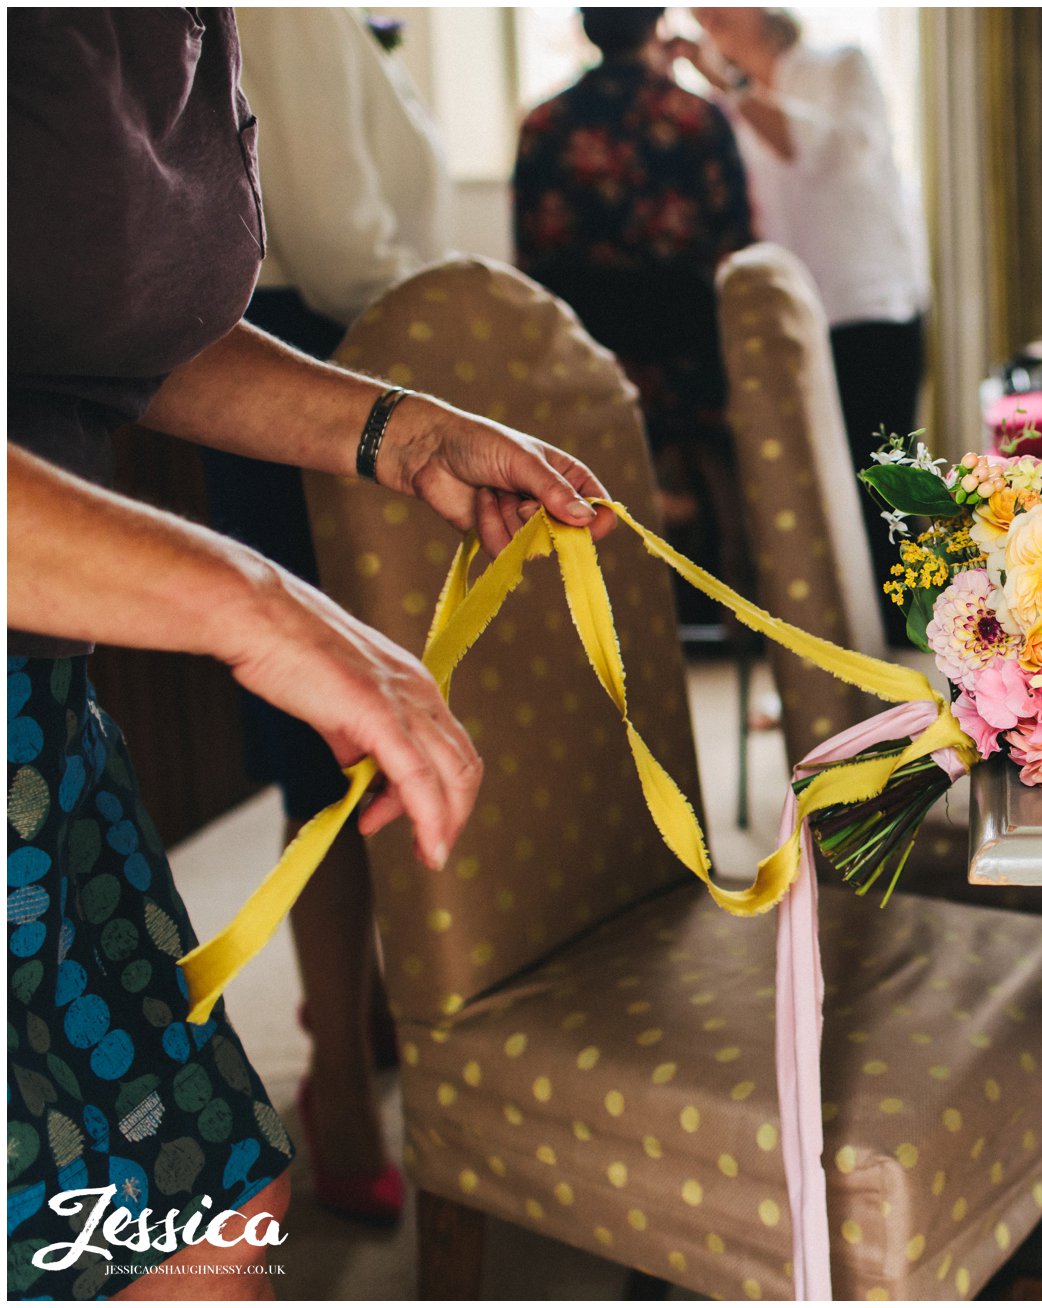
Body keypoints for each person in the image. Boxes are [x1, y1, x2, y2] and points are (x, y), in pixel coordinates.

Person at [8, 10, 613, 1298]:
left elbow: (95, 322)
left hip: (36, 700)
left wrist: (399, 433)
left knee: (214, 1205)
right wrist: (258, 603)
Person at [197, 6, 455, 1226]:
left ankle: (361, 1014)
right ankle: (339, 1082)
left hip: (356, 373)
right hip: (314, 377)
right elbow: (343, 247)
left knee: (382, 715)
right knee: (333, 739)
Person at [680, 7, 930, 641]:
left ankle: (917, 645)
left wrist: (731, 89)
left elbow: (820, 153)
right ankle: (847, 644)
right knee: (821, 488)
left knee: (887, 482)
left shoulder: (843, 66)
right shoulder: (723, 106)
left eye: (718, 13)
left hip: (869, 300)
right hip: (794, 316)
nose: (708, 22)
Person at [514, 7, 754, 624]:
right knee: (716, 438)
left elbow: (531, 255)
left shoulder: (544, 124)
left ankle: (588, 610)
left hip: (586, 359)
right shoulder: (696, 118)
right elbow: (736, 243)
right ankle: (737, 612)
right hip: (686, 354)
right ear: (655, 28)